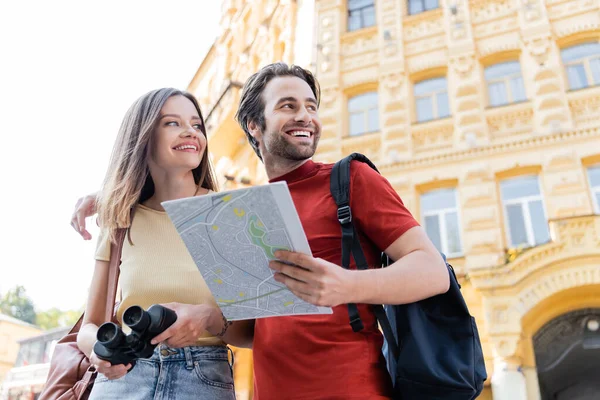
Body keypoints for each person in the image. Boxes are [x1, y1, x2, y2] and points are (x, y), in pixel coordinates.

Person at [72, 65, 449, 400]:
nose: (305, 116)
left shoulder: (350, 180)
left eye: (311, 107)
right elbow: (252, 330)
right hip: (261, 388)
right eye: (288, 105)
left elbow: (433, 272)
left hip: (346, 387)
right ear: (254, 125)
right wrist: (206, 319)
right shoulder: (244, 213)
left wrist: (346, 285)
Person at [76, 88, 253, 400]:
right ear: (142, 136)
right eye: (172, 123)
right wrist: (101, 351)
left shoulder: (228, 215)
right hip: (122, 381)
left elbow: (248, 335)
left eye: (197, 125)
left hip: (202, 380)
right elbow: (90, 325)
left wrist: (207, 317)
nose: (190, 132)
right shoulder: (119, 217)